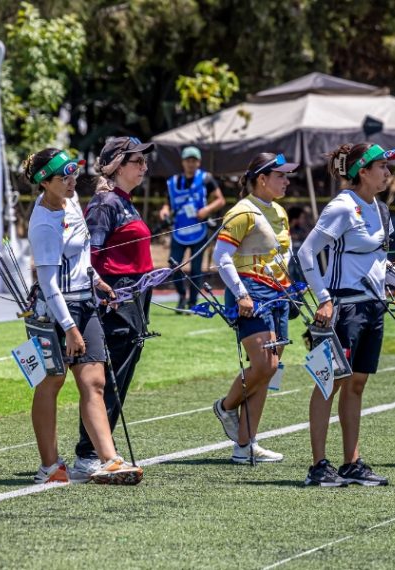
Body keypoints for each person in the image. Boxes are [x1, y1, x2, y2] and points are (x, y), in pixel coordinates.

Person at [297, 142, 395, 487]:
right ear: (362, 172)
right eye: (382, 166)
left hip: (373, 308)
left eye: (388, 166)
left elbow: (381, 264)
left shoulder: (381, 210)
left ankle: (351, 463)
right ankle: (319, 466)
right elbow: (306, 254)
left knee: (357, 383)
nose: (388, 172)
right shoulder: (341, 207)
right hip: (341, 308)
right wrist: (322, 298)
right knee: (329, 383)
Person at [22, 148, 142, 485]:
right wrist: (70, 328)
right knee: (52, 382)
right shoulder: (44, 222)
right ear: (44, 182)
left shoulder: (71, 201)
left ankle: (109, 459)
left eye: (74, 173)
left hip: (84, 301)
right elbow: (48, 283)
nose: (72, 181)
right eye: (64, 176)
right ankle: (50, 466)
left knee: (94, 381)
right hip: (55, 311)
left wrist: (95, 278)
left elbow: (83, 251)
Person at [73, 136, 156, 479]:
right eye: (137, 161)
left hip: (134, 295)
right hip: (115, 298)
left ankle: (99, 447)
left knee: (120, 374)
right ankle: (89, 452)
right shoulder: (105, 203)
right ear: (119, 165)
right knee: (108, 377)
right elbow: (89, 256)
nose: (144, 167)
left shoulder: (125, 201)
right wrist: (105, 291)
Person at [210, 152, 297, 464]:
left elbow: (282, 258)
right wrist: (242, 294)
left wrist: (290, 290)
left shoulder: (279, 211)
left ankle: (245, 445)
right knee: (264, 365)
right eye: (281, 176)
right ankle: (225, 406)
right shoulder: (242, 212)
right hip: (251, 292)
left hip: (278, 295)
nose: (287, 181)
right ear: (262, 179)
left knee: (269, 372)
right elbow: (220, 257)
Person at [159, 146, 226, 311]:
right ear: (182, 162)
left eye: (194, 160)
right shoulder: (173, 182)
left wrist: (207, 210)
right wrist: (164, 211)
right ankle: (181, 297)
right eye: (188, 160)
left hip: (199, 231)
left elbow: (220, 200)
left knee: (196, 270)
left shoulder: (206, 179)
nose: (191, 163)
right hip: (178, 230)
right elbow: (168, 204)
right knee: (173, 267)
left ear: (199, 162)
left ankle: (193, 302)